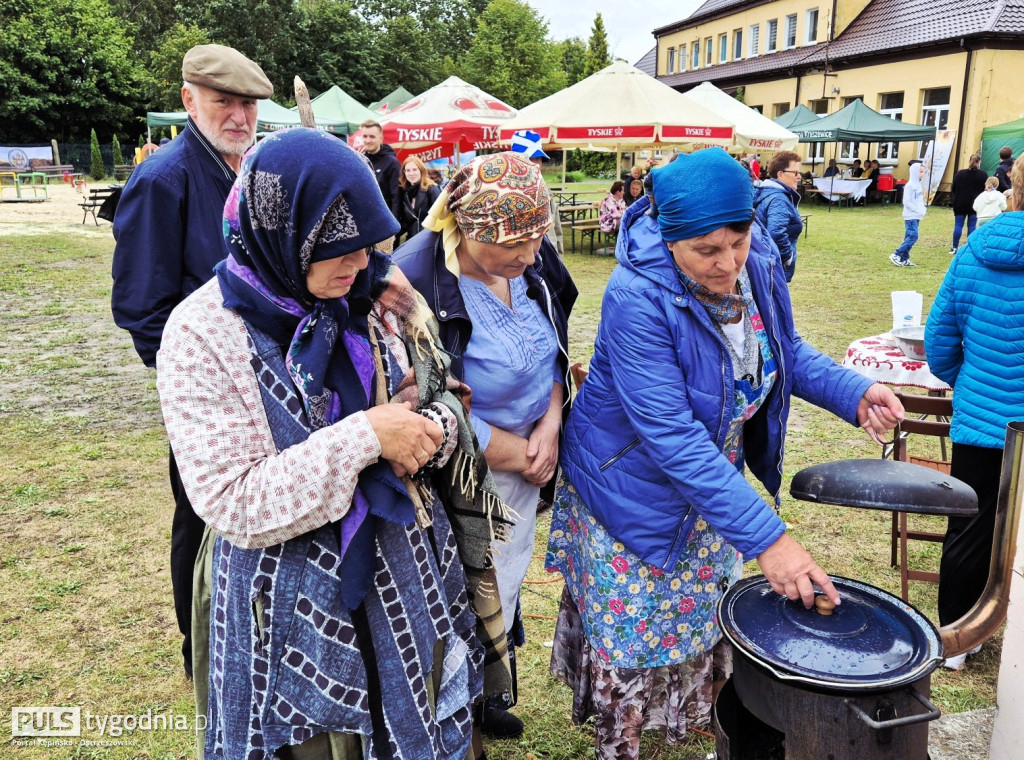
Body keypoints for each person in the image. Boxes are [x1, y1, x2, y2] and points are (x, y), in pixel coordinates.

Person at [157, 128, 512, 759]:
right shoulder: (201, 333)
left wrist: (428, 424)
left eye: (367, 247)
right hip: (286, 602)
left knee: (418, 718)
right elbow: (234, 501)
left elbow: (442, 395)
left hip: (405, 574)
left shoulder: (377, 297)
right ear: (284, 236)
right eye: (338, 252)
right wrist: (368, 436)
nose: (359, 265)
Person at [544, 147, 904, 758]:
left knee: (700, 612)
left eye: (737, 242)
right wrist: (770, 540)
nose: (727, 263)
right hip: (631, 483)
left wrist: (853, 390)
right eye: (706, 250)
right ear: (669, 237)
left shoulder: (757, 261)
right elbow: (672, 437)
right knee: (636, 629)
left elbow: (783, 346)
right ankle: (622, 742)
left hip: (713, 481)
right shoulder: (636, 296)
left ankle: (697, 720)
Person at [393, 152, 578, 741]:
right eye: (512, 245)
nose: (529, 254)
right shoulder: (415, 281)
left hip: (528, 459)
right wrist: (517, 453)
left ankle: (491, 688)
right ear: (468, 230)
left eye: (537, 238)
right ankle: (454, 704)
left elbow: (555, 348)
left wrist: (551, 422)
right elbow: (424, 403)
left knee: (508, 576)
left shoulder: (535, 260)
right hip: (460, 474)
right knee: (461, 584)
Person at [111, 43, 273, 680]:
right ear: (189, 100)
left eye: (248, 105)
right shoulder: (163, 178)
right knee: (202, 516)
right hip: (209, 392)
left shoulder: (252, 169)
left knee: (257, 515)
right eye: (223, 101)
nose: (238, 116)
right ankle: (199, 649)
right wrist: (197, 385)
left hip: (267, 385)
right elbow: (141, 308)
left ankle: (249, 637)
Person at [925, 154, 1024, 671]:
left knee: (968, 529)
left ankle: (958, 640)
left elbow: (939, 342)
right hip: (986, 415)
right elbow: (940, 345)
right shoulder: (973, 251)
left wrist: (971, 382)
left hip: (981, 419)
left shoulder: (971, 251)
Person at [510, 128, 564, 257]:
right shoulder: (507, 194)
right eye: (530, 158)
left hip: (550, 262)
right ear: (515, 160)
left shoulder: (545, 189)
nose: (536, 164)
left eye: (538, 158)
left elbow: (557, 232)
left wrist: (559, 262)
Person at [754, 150, 803, 283]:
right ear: (780, 174)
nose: (799, 177)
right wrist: (788, 257)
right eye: (795, 173)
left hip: (765, 262)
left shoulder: (770, 193)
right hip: (774, 266)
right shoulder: (778, 199)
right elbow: (776, 232)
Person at [358, 119, 402, 252]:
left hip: (385, 225)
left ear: (380, 138)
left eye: (372, 136)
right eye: (365, 136)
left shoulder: (392, 163)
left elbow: (396, 197)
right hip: (364, 224)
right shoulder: (360, 160)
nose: (368, 140)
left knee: (384, 261)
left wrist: (394, 227)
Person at [949, 153, 988, 253]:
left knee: (958, 225)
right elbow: (986, 189)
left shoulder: (960, 173)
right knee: (972, 226)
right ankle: (969, 247)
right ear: (979, 162)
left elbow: (953, 188)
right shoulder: (983, 175)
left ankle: (954, 247)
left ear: (969, 161)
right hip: (975, 204)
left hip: (960, 203)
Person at [890, 160, 925, 267]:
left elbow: (918, 200)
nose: (922, 174)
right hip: (910, 216)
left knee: (909, 237)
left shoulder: (918, 185)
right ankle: (897, 254)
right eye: (920, 172)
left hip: (916, 215)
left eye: (923, 172)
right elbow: (906, 201)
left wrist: (922, 209)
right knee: (913, 236)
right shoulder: (909, 186)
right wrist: (916, 209)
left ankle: (904, 258)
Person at [398, 155, 441, 241]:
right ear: (404, 173)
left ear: (421, 171)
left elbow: (440, 217)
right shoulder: (405, 192)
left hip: (430, 239)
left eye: (414, 169)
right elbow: (405, 222)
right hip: (411, 239)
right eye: (408, 170)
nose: (411, 173)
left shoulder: (432, 189)